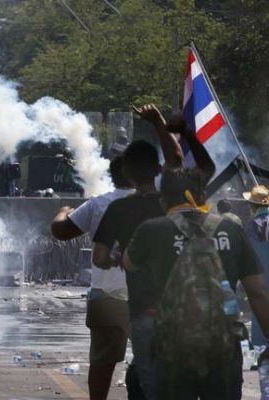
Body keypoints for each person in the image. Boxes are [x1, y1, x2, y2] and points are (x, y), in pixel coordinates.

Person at [92, 104, 215, 400]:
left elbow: (99, 257)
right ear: (158, 170)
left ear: (126, 174)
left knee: (146, 381)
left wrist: (120, 260)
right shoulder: (170, 197)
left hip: (144, 310)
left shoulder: (118, 209)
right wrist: (162, 123)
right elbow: (185, 161)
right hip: (185, 307)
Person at [124, 169, 269, 399]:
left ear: (163, 202)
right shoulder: (231, 230)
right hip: (223, 349)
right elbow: (258, 292)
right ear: (203, 197)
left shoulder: (152, 230)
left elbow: (128, 264)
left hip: (172, 350)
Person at [51, 156, 133, 400]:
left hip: (106, 296)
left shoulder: (98, 204)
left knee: (102, 362)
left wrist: (63, 212)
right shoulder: (154, 203)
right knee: (152, 359)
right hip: (146, 297)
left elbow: (61, 230)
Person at [242, 185, 269, 347]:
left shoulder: (252, 226)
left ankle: (261, 346)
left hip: (260, 277)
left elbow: (250, 253)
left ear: (253, 206)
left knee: (260, 308)